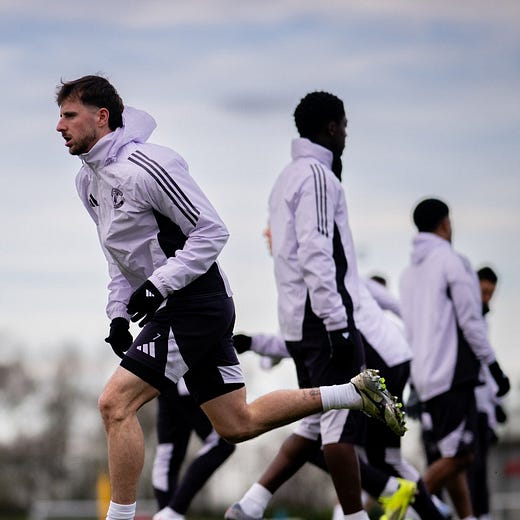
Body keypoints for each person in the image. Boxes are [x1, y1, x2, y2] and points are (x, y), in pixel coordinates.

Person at [55, 75, 405, 520]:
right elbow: (119, 256)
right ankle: (352, 393)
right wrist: (119, 314)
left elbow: (212, 231)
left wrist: (159, 285)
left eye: (69, 115)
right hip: (181, 307)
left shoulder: (148, 165)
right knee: (238, 423)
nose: (60, 126)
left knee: (115, 404)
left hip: (195, 303)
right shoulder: (87, 183)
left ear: (101, 117)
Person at [234, 91, 405, 520]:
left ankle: (251, 505)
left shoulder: (286, 177)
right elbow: (316, 251)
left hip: (298, 319)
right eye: (344, 125)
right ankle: (355, 516)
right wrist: (337, 323)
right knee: (341, 421)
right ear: (331, 126)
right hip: (322, 318)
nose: (346, 133)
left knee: (313, 422)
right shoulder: (317, 176)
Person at [399, 198, 510, 520]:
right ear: (445, 224)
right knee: (462, 457)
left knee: (453, 454)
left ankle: (467, 517)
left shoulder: (407, 275)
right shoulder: (453, 261)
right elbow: (471, 321)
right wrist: (495, 370)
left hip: (424, 378)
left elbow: (411, 331)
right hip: (452, 376)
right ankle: (404, 506)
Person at [151, 379, 236, 520]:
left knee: (168, 454)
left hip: (167, 381)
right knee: (222, 444)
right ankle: (172, 512)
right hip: (188, 382)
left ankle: (167, 513)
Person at [467, 266, 507, 520]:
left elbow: (483, 367)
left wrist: (495, 406)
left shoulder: (482, 319)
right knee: (467, 465)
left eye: (490, 294)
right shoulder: (465, 318)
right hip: (463, 402)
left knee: (480, 469)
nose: (486, 298)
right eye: (483, 292)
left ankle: (482, 515)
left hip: (481, 406)